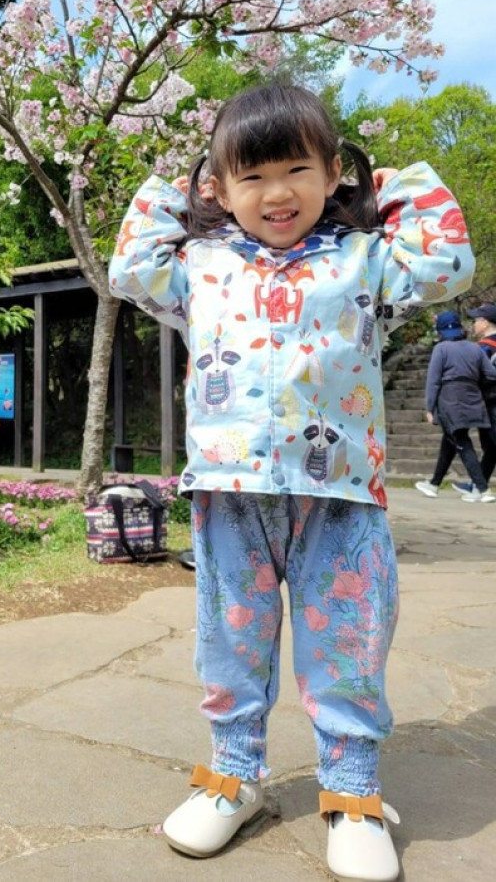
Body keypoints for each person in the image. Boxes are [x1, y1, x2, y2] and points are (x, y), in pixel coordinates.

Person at [108, 83, 475, 882]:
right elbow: (129, 265)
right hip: (229, 493)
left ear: (332, 171)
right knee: (229, 642)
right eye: (251, 176)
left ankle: (351, 790)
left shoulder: (364, 260)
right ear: (219, 188)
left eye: (297, 169)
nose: (277, 193)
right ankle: (232, 775)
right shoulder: (199, 266)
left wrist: (392, 182)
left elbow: (448, 262)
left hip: (340, 494)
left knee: (348, 641)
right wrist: (180, 182)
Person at [414, 311, 496, 502]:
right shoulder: (474, 348)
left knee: (460, 441)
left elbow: (433, 381)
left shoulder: (441, 349)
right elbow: (491, 374)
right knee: (451, 440)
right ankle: (434, 484)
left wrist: (429, 408)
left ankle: (482, 489)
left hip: (450, 400)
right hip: (473, 398)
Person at [445, 303, 496, 496]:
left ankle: (477, 486)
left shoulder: (483, 348)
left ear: (484, 323)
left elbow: (474, 374)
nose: (473, 324)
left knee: (492, 443)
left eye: (476, 320)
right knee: (491, 447)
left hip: (490, 401)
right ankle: (477, 485)